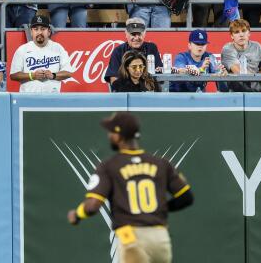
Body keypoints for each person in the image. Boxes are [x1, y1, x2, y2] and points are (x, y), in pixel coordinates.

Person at [67, 111, 194, 263]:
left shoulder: (109, 166)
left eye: (111, 132)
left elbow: (93, 206)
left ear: (119, 136)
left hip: (132, 237)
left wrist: (77, 214)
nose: (109, 135)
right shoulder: (160, 163)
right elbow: (186, 197)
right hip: (160, 238)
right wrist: (162, 208)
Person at [9, 14, 75, 93]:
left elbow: (68, 73)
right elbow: (13, 75)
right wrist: (33, 75)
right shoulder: (22, 49)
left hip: (52, 98)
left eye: (43, 29)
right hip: (27, 98)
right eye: (36, 29)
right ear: (31, 32)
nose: (39, 32)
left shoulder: (58, 48)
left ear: (49, 31)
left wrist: (53, 75)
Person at [104, 18, 164, 85]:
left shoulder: (151, 48)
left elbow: (160, 74)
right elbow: (113, 78)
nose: (136, 38)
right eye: (133, 34)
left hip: (149, 90)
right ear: (126, 34)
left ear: (144, 34)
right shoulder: (118, 51)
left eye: (139, 34)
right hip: (126, 91)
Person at [220, 19, 261, 93]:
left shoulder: (257, 46)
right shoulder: (227, 49)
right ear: (232, 36)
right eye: (237, 32)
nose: (241, 35)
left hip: (257, 90)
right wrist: (257, 78)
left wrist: (259, 81)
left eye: (244, 31)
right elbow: (240, 71)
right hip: (235, 92)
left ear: (249, 33)